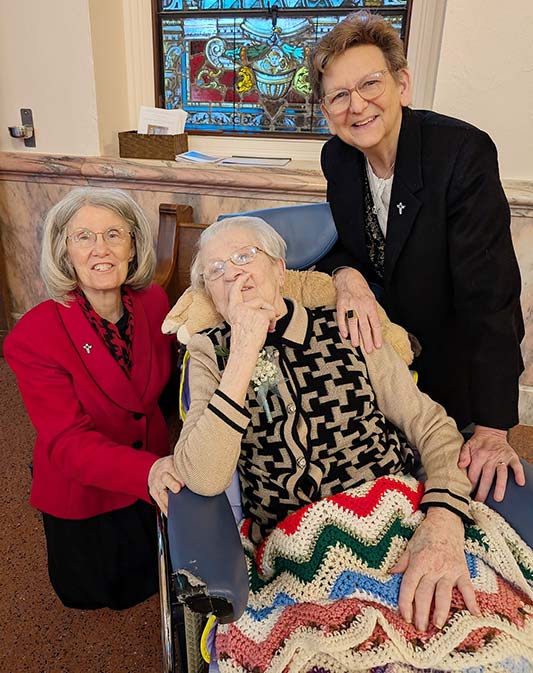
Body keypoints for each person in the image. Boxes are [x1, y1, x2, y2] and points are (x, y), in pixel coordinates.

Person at [172, 216, 532, 670]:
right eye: (216, 270)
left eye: (245, 257)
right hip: (294, 553)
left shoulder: (346, 325)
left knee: (490, 647)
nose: (234, 274)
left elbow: (432, 427)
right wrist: (244, 349)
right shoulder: (210, 353)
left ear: (280, 269)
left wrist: (443, 521)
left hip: (398, 521)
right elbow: (205, 476)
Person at [308, 11, 525, 504]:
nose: (356, 105)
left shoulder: (461, 153)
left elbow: (490, 295)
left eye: (370, 84)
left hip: (454, 368)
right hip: (385, 362)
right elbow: (345, 242)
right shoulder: (337, 158)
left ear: (402, 84)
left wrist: (493, 427)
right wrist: (345, 274)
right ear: (326, 110)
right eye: (339, 95)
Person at [4, 188, 183, 610]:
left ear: (133, 246)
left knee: (156, 573)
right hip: (88, 489)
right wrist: (148, 470)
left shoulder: (154, 302)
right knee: (97, 596)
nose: (100, 248)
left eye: (113, 235)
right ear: (64, 251)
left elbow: (163, 391)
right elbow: (68, 443)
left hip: (153, 470)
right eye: (83, 236)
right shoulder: (33, 336)